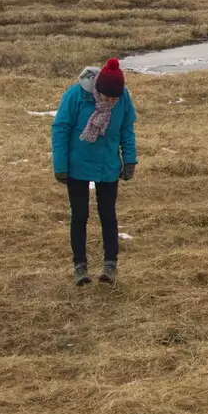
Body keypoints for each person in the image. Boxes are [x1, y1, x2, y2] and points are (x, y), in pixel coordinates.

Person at [51, 58, 137, 285]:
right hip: (77, 165)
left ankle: (110, 265)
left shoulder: (123, 98)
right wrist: (60, 165)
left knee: (108, 214)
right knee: (79, 216)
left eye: (114, 98)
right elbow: (60, 129)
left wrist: (129, 159)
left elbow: (127, 129)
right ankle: (80, 267)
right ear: (97, 89)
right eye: (107, 97)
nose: (111, 101)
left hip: (107, 165)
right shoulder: (75, 96)